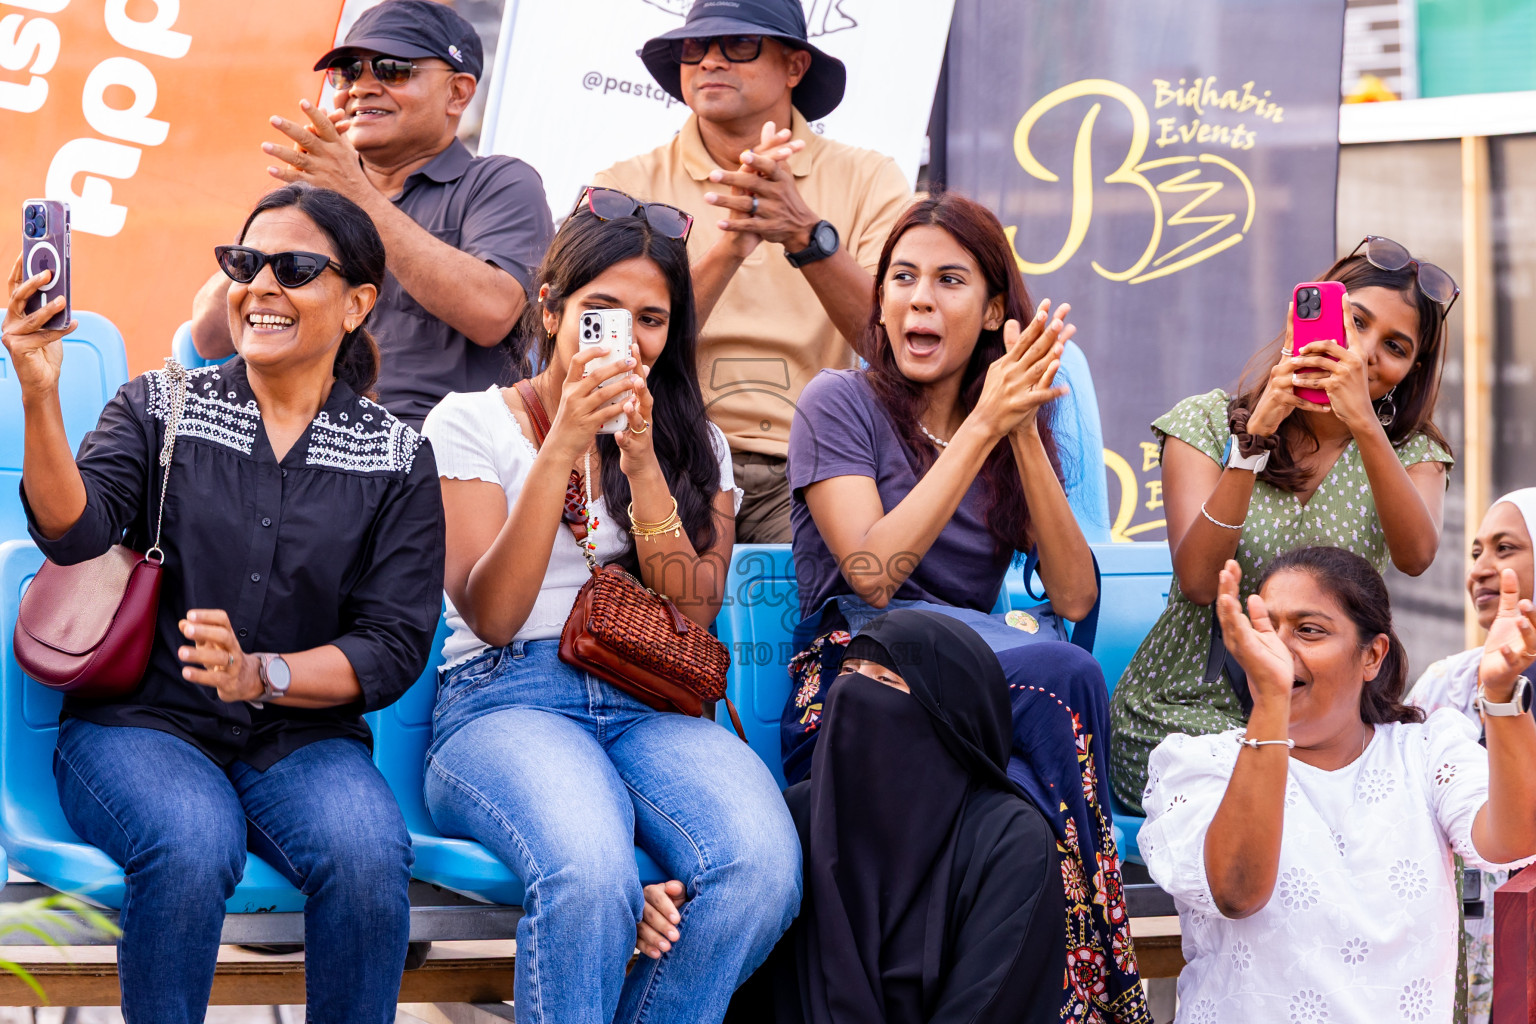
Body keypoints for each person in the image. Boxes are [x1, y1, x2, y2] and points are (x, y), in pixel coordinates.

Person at [2, 183, 444, 1022]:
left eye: (295, 268)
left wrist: (262, 674)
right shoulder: (161, 404)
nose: (261, 286)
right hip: (142, 726)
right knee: (191, 840)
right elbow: (73, 533)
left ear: (356, 304)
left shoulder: (396, 454)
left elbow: (392, 646)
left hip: (300, 737)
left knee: (366, 855)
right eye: (246, 263)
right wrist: (37, 392)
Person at [419, 192, 799, 1024]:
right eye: (601, 312)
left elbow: (692, 617)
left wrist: (644, 463)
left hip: (650, 700)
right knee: (590, 873)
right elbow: (492, 613)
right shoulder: (473, 422)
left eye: (651, 320)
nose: (628, 338)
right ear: (551, 308)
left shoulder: (698, 443)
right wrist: (563, 445)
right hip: (504, 697)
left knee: (761, 868)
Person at [783, 191, 1148, 1022]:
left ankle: (1059, 991)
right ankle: (1103, 990)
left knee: (1026, 816)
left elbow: (1074, 593)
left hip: (976, 703)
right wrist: (984, 427)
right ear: (878, 302)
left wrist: (1019, 432)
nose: (919, 297)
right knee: (1062, 671)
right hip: (862, 688)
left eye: (950, 280)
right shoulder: (838, 403)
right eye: (902, 277)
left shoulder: (1005, 427)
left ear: (991, 313)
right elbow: (873, 571)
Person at [1109, 235, 1458, 810]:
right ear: (1308, 315)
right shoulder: (1203, 423)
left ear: (1409, 371)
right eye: (1355, 322)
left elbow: (1416, 555)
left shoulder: (1410, 452)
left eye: (1393, 346)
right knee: (1284, 796)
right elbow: (1198, 582)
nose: (1365, 352)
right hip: (1191, 708)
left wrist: (1366, 426)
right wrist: (1252, 441)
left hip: (1329, 718)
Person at [1140, 546, 1536, 1023]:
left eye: (1308, 630)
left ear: (1371, 655)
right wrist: (1271, 704)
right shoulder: (1201, 765)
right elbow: (1238, 893)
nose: (1278, 650)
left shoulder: (1426, 751)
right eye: (1267, 628)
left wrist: (1500, 697)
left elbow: (1513, 837)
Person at [641, 610, 1064, 1023]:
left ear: (949, 716)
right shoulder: (796, 815)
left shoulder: (1010, 841)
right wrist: (667, 916)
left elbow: (990, 1003)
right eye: (847, 673)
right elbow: (735, 975)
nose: (852, 694)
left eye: (885, 680)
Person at [591, 0, 912, 542]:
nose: (710, 61)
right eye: (695, 47)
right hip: (663, 452)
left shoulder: (870, 178)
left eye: (738, 44)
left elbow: (895, 343)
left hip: (815, 463)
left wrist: (806, 237)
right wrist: (732, 247)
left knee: (844, 610)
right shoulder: (622, 185)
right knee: (660, 623)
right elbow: (604, 344)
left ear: (795, 66)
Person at [191, 0, 555, 426]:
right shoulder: (315, 196)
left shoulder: (500, 183)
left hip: (434, 452)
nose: (360, 87)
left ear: (457, 93)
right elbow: (209, 337)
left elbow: (493, 313)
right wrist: (280, 220)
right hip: (298, 438)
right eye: (348, 72)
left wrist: (356, 193)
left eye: (392, 69)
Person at [1408, 487, 1536, 1024]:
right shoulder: (1444, 684)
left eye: (1505, 548)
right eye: (1476, 551)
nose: (1481, 568)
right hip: (1460, 968)